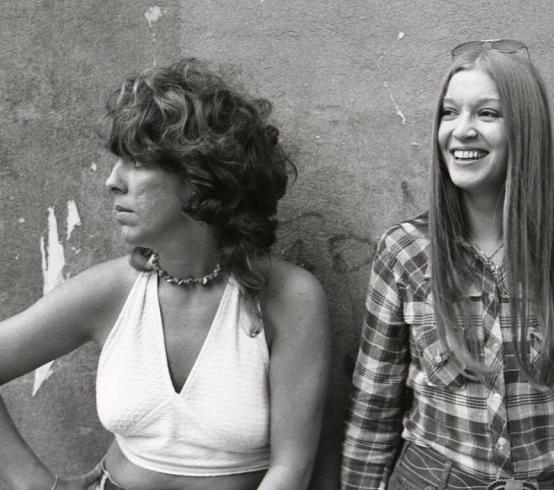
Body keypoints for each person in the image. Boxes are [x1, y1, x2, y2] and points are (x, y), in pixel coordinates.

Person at [0, 59, 330, 489]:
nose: (113, 182)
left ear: (199, 177)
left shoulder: (288, 297)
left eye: (137, 161)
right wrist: (33, 486)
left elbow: (292, 469)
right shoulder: (111, 291)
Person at [341, 39, 554, 489]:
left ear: (524, 130)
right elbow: (373, 409)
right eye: (450, 113)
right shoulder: (405, 251)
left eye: (487, 114)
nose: (462, 130)